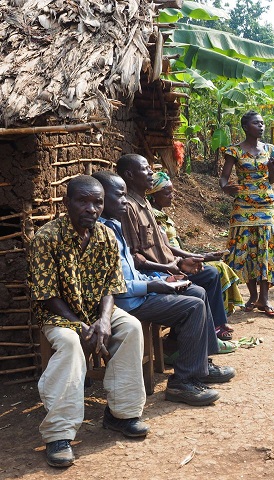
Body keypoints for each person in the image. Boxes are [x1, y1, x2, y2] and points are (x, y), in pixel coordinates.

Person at [28, 176, 149, 468]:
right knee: (70, 343)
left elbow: (111, 286)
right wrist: (80, 325)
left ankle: (122, 414)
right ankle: (59, 435)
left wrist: (104, 322)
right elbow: (46, 296)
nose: (91, 208)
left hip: (97, 312)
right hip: (59, 315)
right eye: (83, 201)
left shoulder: (106, 236)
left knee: (130, 327)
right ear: (66, 202)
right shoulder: (46, 238)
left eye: (97, 202)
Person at [93, 171, 234, 406]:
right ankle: (182, 383)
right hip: (126, 302)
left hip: (137, 291)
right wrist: (152, 283)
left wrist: (163, 278)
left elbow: (128, 270)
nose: (125, 201)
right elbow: (116, 285)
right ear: (102, 199)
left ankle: (200, 366)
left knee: (198, 291)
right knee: (193, 306)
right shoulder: (102, 233)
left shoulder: (114, 226)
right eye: (119, 197)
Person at [115, 154, 233, 343]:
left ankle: (209, 331)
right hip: (153, 273)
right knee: (198, 289)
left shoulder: (144, 202)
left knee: (209, 274)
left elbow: (163, 245)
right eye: (146, 168)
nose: (151, 172)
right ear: (129, 175)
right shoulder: (129, 208)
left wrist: (189, 258)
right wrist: (169, 268)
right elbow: (133, 255)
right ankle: (194, 341)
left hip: (167, 267)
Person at [147, 171, 244, 317]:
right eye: (167, 193)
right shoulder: (153, 216)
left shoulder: (160, 214)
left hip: (178, 260)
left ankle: (217, 319)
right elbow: (167, 247)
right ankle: (216, 320)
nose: (171, 196)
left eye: (172, 193)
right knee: (214, 271)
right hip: (171, 265)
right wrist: (201, 256)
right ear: (154, 195)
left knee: (219, 267)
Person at [220, 110, 274, 317]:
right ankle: (252, 296)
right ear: (246, 127)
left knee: (265, 248)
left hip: (265, 205)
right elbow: (224, 178)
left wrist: (272, 170)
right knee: (245, 249)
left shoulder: (270, 149)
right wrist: (226, 188)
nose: (261, 126)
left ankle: (265, 299)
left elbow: (271, 180)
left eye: (263, 123)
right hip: (242, 206)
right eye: (257, 123)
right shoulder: (234, 151)